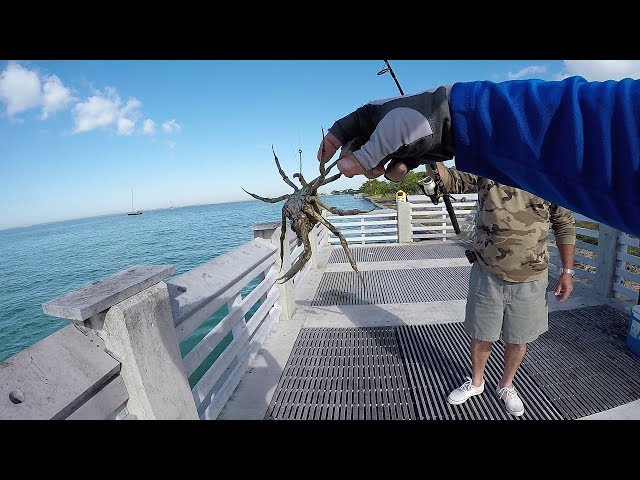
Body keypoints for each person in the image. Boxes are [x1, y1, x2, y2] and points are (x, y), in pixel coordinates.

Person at [317, 76, 640, 238]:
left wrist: (456, 117)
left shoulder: (543, 187)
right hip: (488, 262)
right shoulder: (492, 173)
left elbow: (564, 221)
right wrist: (450, 126)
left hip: (530, 270)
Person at [431, 162, 576, 416]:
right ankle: (476, 382)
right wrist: (431, 154)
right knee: (481, 333)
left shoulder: (553, 172)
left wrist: (567, 272)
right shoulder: (488, 163)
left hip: (532, 276)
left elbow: (564, 224)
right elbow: (450, 181)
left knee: (519, 338)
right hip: (488, 272)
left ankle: (506, 385)